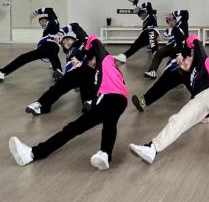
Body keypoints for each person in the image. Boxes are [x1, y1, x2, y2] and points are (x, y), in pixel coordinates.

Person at [128, 35, 209, 164]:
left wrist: (182, 52)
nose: (183, 63)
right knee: (178, 120)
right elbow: (167, 81)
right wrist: (179, 63)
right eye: (182, 65)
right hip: (199, 99)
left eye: (184, 61)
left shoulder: (201, 59)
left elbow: (194, 39)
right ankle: (152, 149)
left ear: (190, 56)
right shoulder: (188, 75)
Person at [8, 35, 129, 170]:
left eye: (92, 61)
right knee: (109, 125)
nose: (93, 64)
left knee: (73, 128)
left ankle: (32, 154)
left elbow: (94, 39)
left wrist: (82, 53)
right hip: (121, 101)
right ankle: (105, 154)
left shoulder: (104, 58)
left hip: (110, 99)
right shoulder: (111, 68)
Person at [25, 22, 95, 115]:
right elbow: (68, 70)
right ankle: (41, 105)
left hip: (92, 69)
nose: (66, 42)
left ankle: (90, 104)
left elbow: (75, 25)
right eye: (64, 43)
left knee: (87, 86)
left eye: (68, 40)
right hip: (75, 73)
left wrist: (60, 33)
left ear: (74, 39)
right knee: (58, 87)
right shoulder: (69, 55)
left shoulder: (83, 39)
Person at [0, 7, 62, 81]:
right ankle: (2, 73)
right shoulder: (46, 32)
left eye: (43, 21)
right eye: (40, 23)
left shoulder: (53, 22)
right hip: (45, 48)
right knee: (24, 57)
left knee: (51, 53)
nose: (41, 23)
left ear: (48, 20)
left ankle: (58, 71)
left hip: (51, 46)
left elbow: (50, 10)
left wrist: (36, 13)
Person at [145, 9, 189, 79]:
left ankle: (180, 77)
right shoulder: (168, 31)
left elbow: (185, 13)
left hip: (181, 46)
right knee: (159, 53)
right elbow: (158, 39)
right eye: (168, 21)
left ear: (175, 19)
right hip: (171, 46)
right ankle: (152, 71)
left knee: (173, 64)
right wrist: (155, 50)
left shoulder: (182, 23)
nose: (170, 21)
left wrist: (173, 13)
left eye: (171, 19)